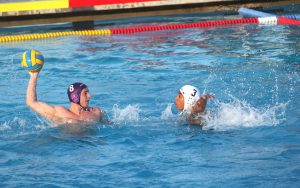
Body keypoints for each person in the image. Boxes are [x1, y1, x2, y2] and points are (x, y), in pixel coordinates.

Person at [26, 71, 103, 125]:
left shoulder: (96, 112)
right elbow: (31, 102)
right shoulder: (60, 113)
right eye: (85, 93)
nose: (90, 96)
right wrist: (34, 76)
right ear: (75, 97)